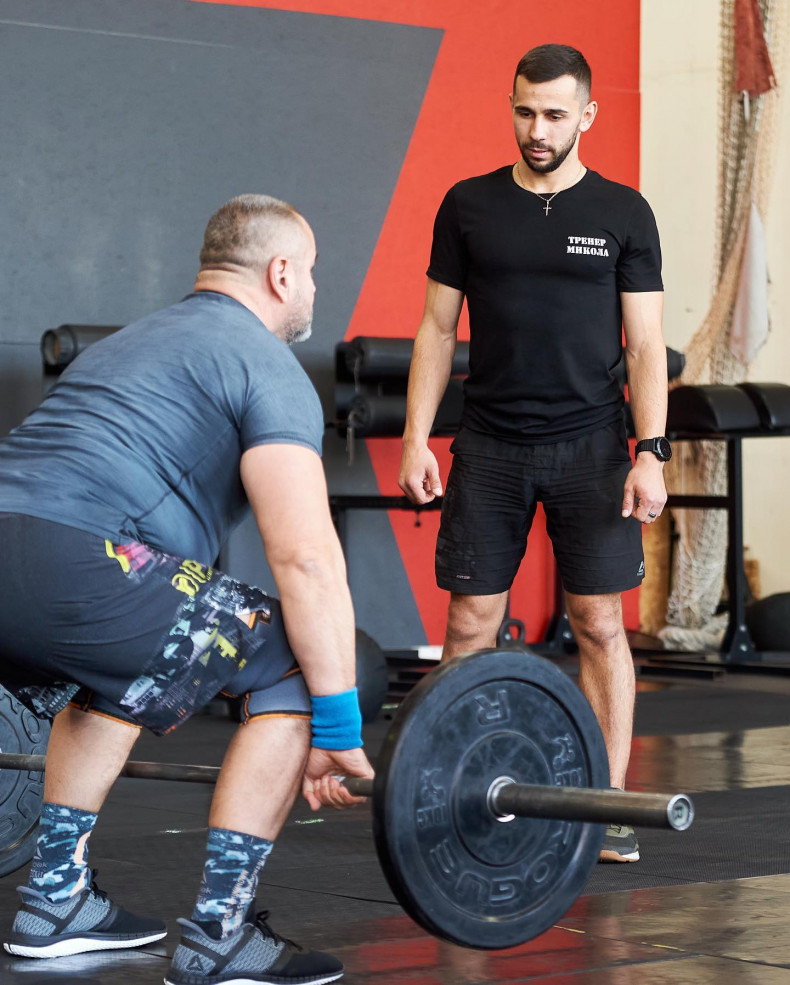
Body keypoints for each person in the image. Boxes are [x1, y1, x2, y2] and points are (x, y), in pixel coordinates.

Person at [0, 194, 372, 984]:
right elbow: (306, 558)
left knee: (133, 651)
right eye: (312, 272)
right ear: (281, 273)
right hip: (82, 562)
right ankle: (219, 935)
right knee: (294, 659)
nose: (313, 288)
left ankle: (55, 899)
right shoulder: (267, 365)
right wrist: (339, 723)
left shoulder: (128, 342)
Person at [398, 44, 669, 864]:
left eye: (554, 114)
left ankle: (607, 804)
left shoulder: (624, 212)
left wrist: (652, 451)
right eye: (525, 112)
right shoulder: (468, 205)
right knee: (469, 624)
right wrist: (416, 435)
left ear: (587, 114)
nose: (537, 129)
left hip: (592, 445)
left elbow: (646, 345)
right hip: (490, 443)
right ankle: (451, 794)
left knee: (599, 623)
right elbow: (436, 327)